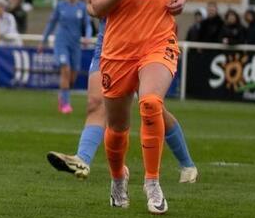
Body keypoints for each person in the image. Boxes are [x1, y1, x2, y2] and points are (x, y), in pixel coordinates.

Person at [84, 0, 197, 215]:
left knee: (150, 103)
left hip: (158, 41)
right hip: (117, 49)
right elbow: (95, 8)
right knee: (117, 127)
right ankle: (118, 178)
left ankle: (152, 182)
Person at [47, 17, 198, 183]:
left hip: (142, 46)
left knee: (153, 107)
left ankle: (187, 164)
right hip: (108, 45)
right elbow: (93, 7)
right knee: (95, 104)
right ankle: (82, 159)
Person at [40, 0, 93, 114]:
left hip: (75, 44)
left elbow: (87, 24)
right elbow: (51, 24)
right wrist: (43, 41)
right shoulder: (60, 6)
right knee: (66, 70)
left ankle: (62, 96)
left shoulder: (82, 7)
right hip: (61, 42)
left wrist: (87, 36)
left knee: (73, 75)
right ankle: (65, 104)